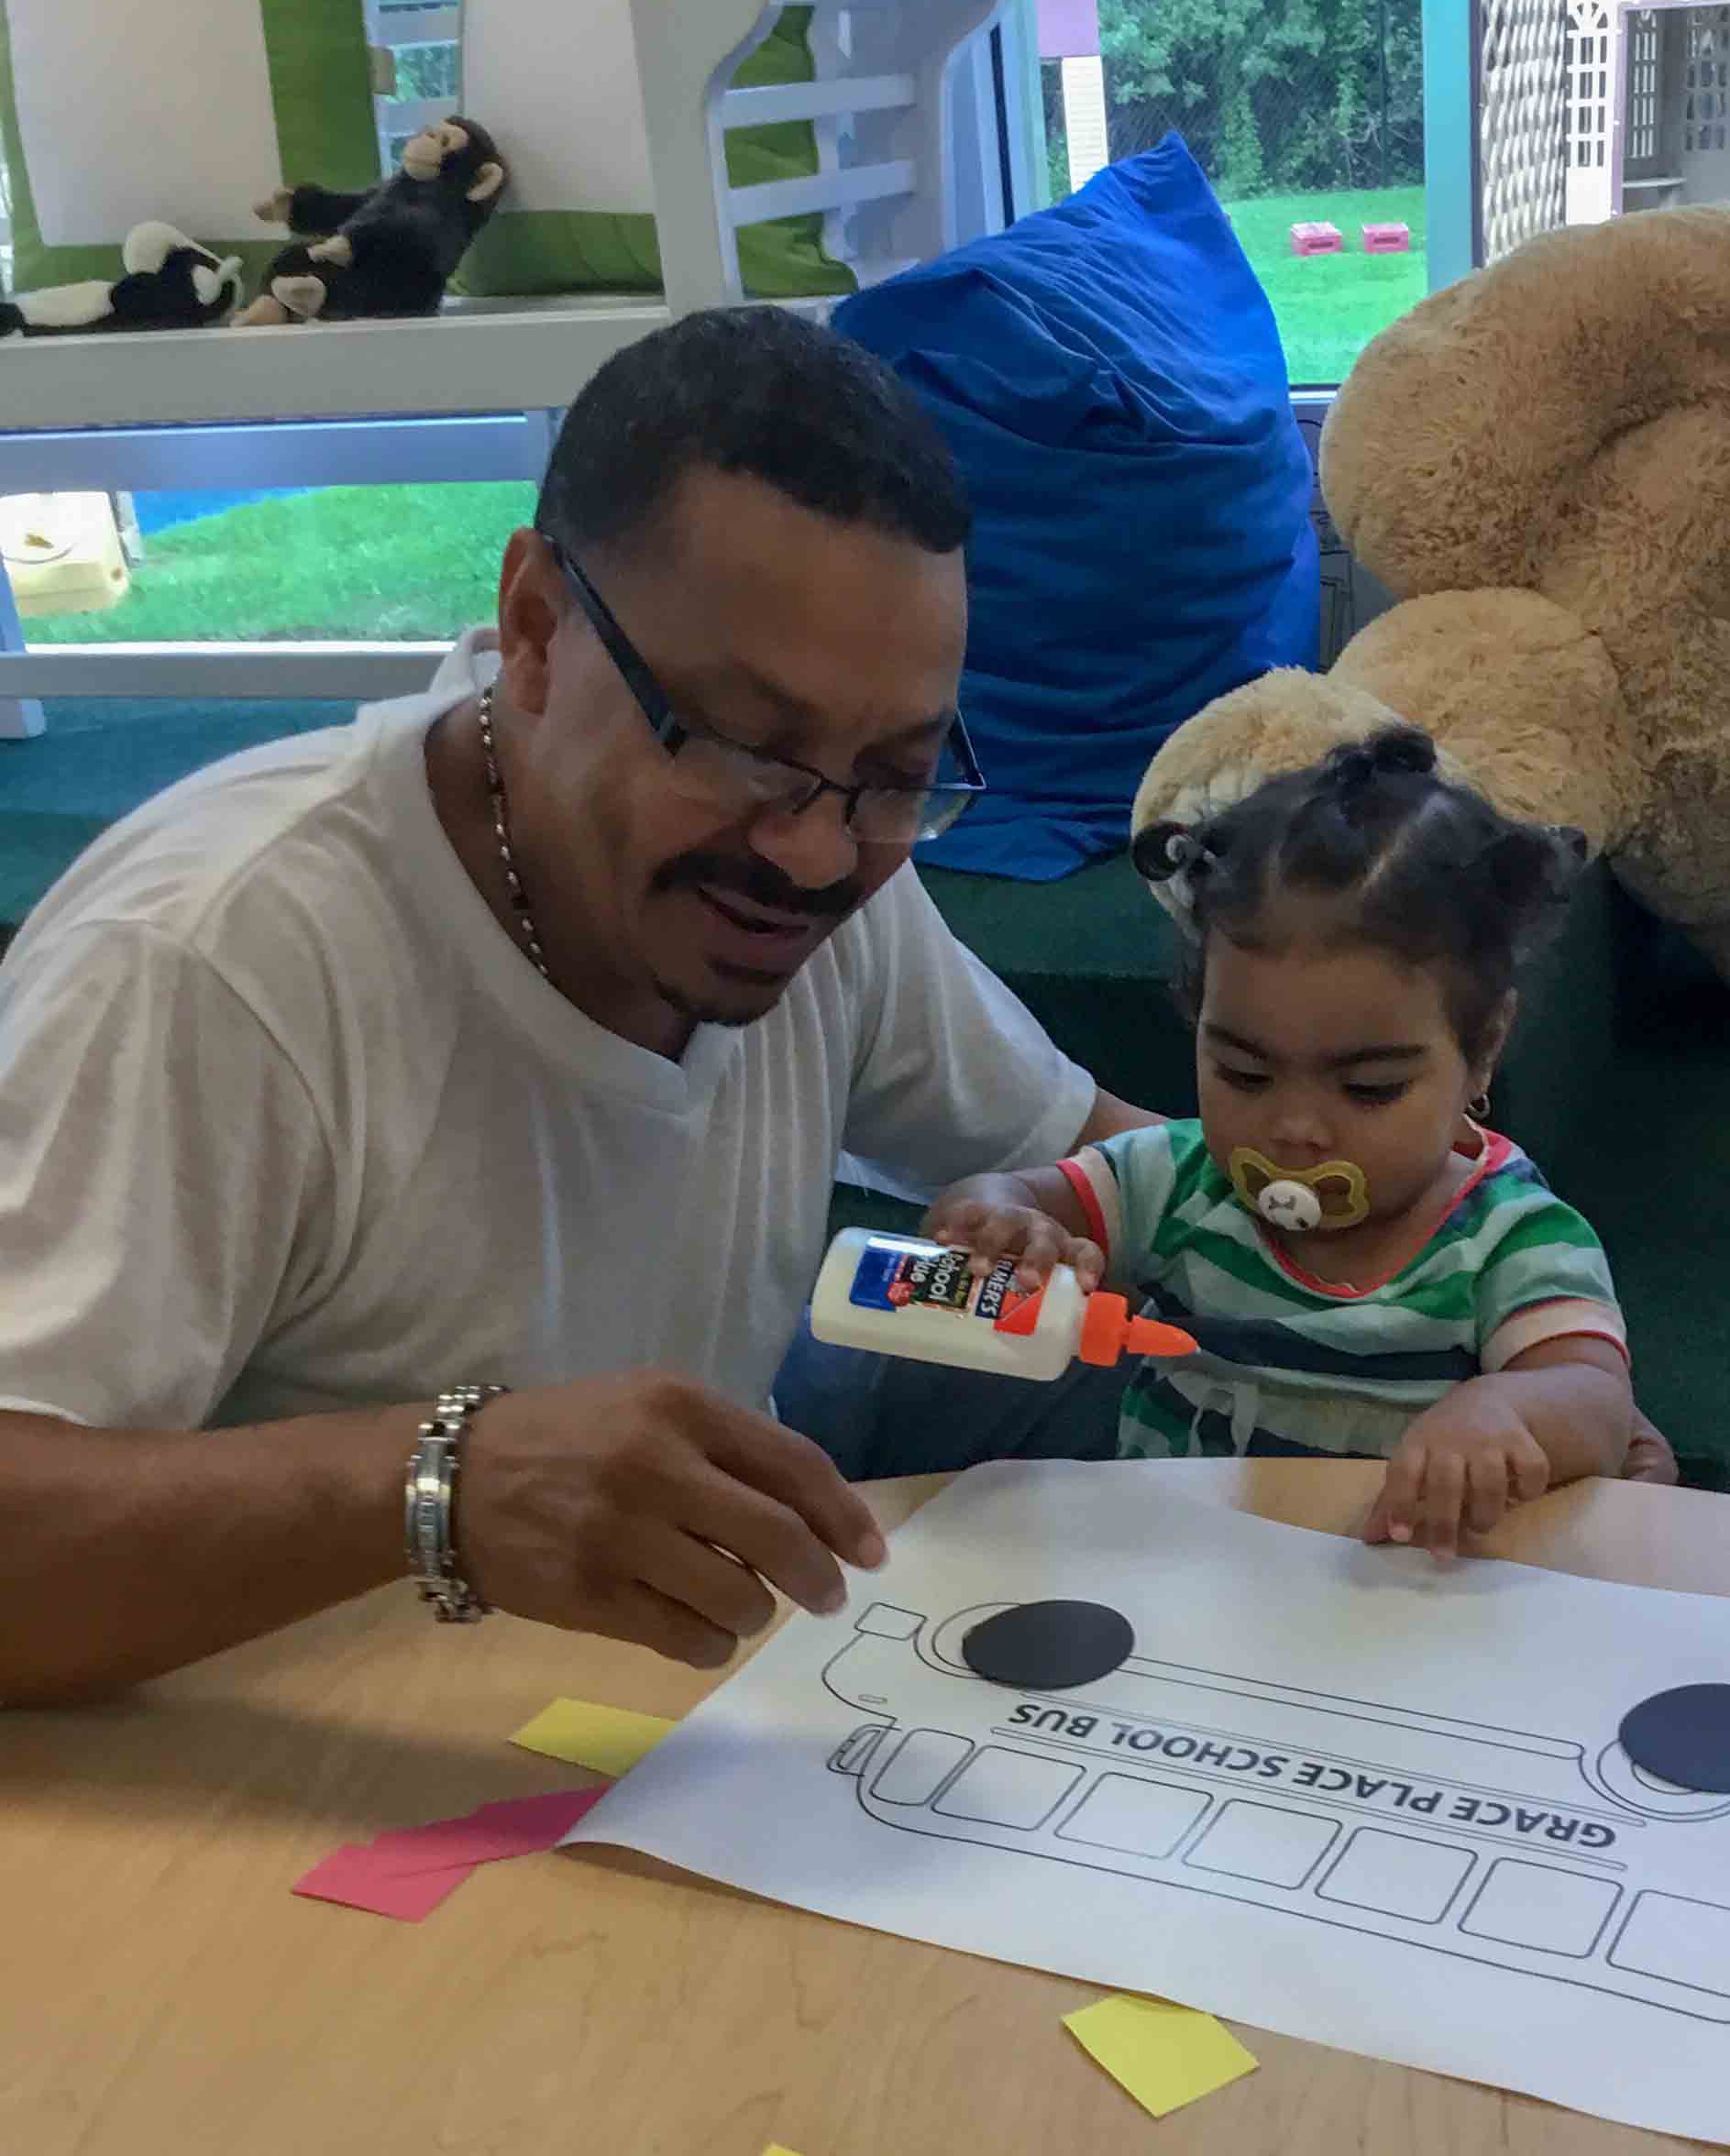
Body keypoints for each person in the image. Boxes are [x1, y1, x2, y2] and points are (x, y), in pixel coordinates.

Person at [0, 307, 1153, 1703]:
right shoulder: (210, 960)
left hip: (661, 1678)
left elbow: (1123, 1162)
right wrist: (440, 1483)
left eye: (898, 772)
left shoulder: (837, 856)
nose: (813, 854)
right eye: (741, 744)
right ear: (536, 631)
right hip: (309, 1758)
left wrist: (1382, 1270)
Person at [928, 729, 1669, 1558]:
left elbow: (1596, 1401)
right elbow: (1006, 1202)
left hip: (1396, 1601)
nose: (1296, 1129)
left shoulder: (1509, 1237)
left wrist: (1508, 1409)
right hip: (1176, 1577)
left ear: (1483, 1048)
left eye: (1369, 1088)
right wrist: (999, 1218)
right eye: (1245, 1073)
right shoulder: (1176, 1180)